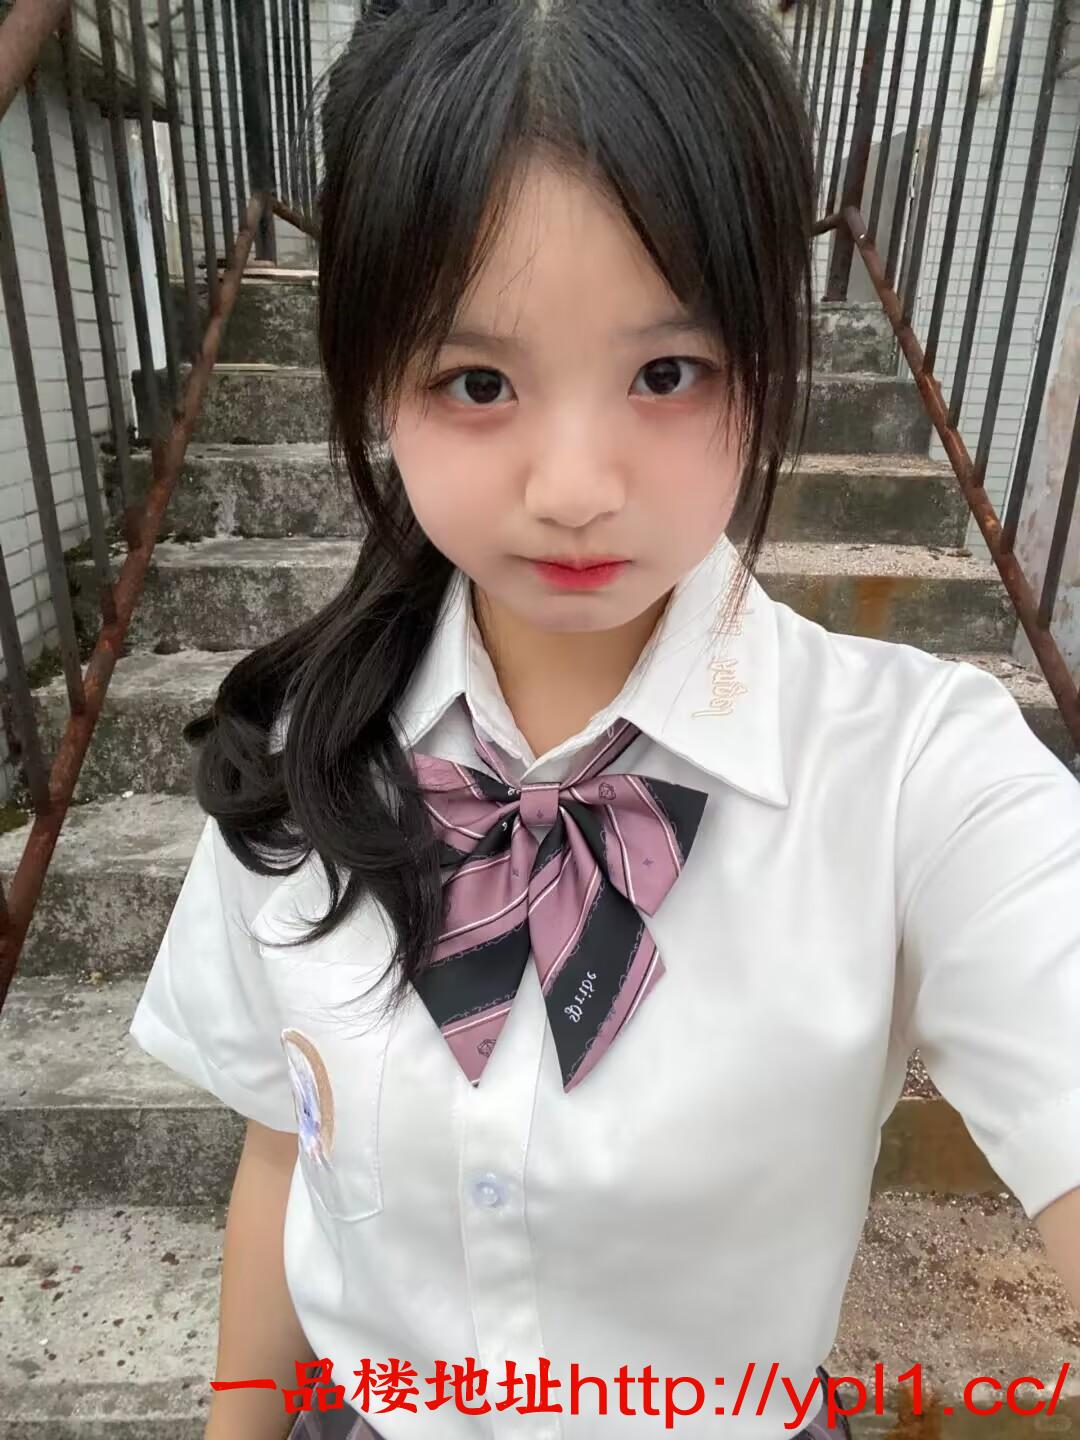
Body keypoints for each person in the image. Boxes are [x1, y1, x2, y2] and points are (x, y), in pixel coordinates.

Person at [128, 1, 1080, 1437]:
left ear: (763, 358)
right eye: (479, 382)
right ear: (377, 377)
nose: (574, 486)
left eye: (666, 373)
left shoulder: (917, 775)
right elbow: (281, 1155)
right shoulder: (298, 759)